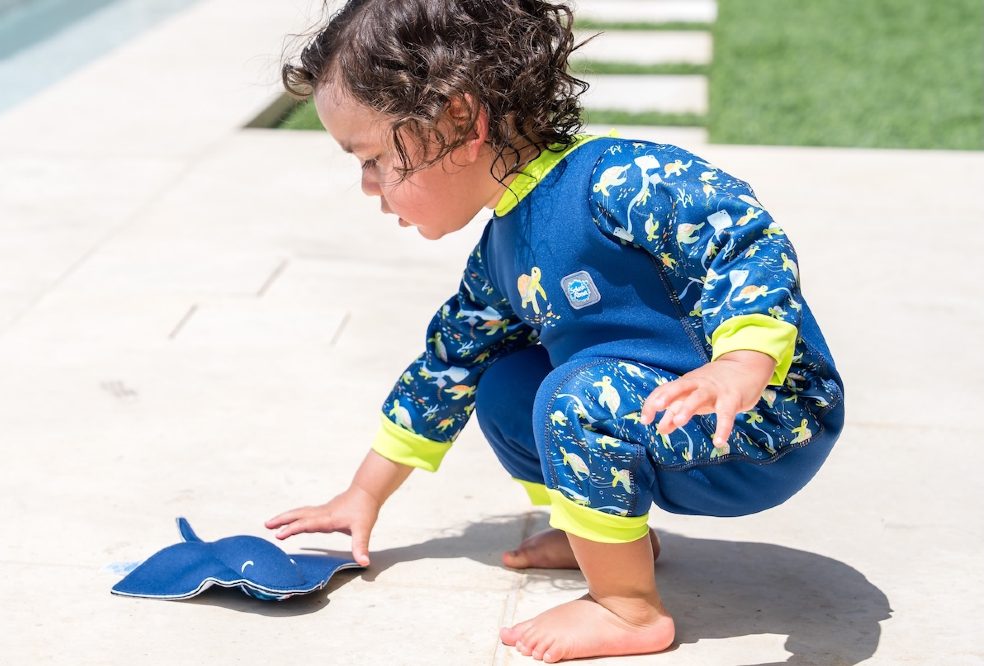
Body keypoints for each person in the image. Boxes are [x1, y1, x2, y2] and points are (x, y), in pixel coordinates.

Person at [265, 0, 845, 661]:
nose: (369, 186)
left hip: (764, 419)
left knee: (577, 394)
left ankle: (628, 610)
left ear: (458, 118)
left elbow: (741, 241)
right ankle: (599, 535)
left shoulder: (620, 179)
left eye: (373, 158)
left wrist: (742, 360)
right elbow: (446, 368)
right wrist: (363, 494)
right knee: (504, 383)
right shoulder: (499, 251)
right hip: (650, 412)